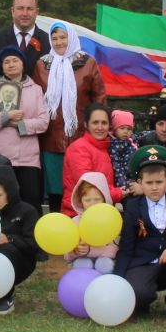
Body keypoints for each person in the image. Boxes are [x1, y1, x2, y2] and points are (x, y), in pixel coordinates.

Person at [115, 146, 166, 320]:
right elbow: (127, 246)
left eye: (159, 182)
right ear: (140, 183)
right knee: (138, 294)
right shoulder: (132, 206)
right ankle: (142, 301)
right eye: (149, 183)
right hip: (144, 263)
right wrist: (117, 281)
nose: (154, 188)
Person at [39, 22, 105, 209]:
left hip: (81, 137)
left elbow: (99, 98)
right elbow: (37, 99)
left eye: (63, 37)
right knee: (55, 190)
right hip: (50, 138)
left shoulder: (87, 62)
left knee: (82, 187)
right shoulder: (42, 64)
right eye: (55, 38)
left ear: (72, 37)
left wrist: (97, 128)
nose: (59, 42)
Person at [0, 45, 47, 208]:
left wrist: (19, 124)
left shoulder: (36, 90)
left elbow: (43, 122)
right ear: (1, 67)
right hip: (0, 155)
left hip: (28, 158)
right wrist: (6, 117)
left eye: (15, 60)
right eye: (6, 62)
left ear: (23, 64)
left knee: (30, 201)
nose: (11, 64)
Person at [0, 169, 39, 314]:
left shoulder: (27, 211)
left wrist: (10, 238)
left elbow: (33, 245)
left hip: (21, 261)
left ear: (10, 192)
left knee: (6, 249)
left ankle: (5, 297)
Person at [0, 0, 49, 76]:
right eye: (20, 8)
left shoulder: (48, 42)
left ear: (36, 12)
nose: (25, 13)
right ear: (12, 11)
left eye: (29, 9)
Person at [64, 171, 120, 272]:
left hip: (105, 261)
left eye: (97, 199)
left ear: (104, 199)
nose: (92, 204)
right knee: (82, 264)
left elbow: (114, 250)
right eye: (87, 200)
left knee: (105, 265)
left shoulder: (111, 221)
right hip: (82, 261)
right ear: (80, 200)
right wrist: (76, 251)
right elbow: (67, 256)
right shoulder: (75, 222)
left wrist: (90, 250)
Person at [61, 105, 118, 199]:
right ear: (86, 124)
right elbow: (87, 185)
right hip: (79, 211)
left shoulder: (107, 147)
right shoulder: (79, 148)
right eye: (95, 122)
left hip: (99, 208)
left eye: (104, 123)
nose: (100, 127)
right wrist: (120, 193)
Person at [106, 109, 141, 193]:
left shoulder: (132, 139)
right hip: (126, 181)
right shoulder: (115, 145)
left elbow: (141, 135)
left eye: (129, 129)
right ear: (114, 129)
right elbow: (117, 166)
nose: (126, 131)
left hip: (137, 177)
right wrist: (124, 186)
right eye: (122, 128)